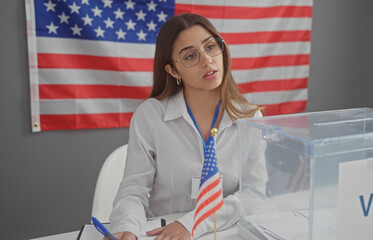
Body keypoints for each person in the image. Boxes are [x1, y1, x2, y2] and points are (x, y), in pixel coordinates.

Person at [109, 13, 264, 240]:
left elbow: (254, 195)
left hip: (223, 233)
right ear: (173, 70)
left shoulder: (251, 117)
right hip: (161, 234)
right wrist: (127, 228)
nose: (207, 60)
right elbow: (134, 190)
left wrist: (192, 223)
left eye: (211, 47)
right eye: (190, 56)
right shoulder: (150, 116)